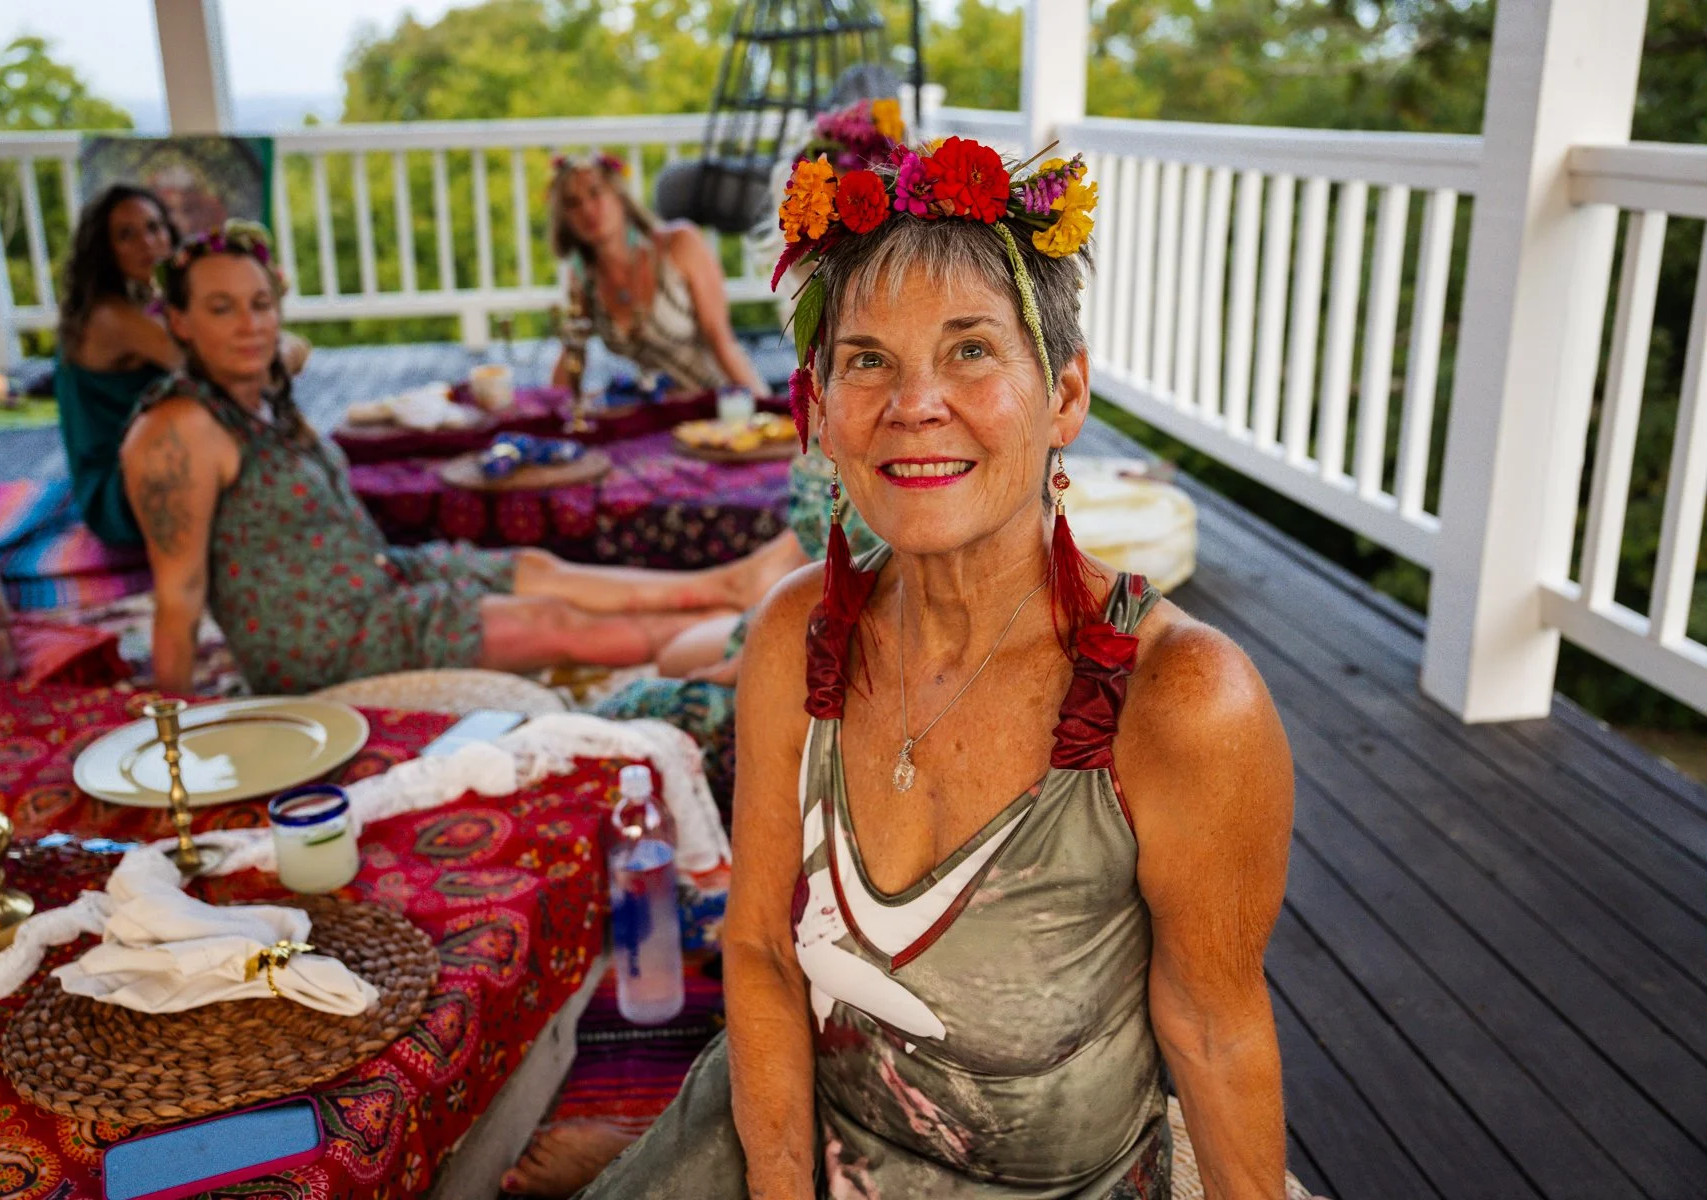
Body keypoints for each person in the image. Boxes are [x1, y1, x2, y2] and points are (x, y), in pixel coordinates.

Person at [521, 142, 1294, 1198]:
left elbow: (1215, 1031)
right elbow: (757, 953)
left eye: (971, 350)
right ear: (821, 409)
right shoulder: (796, 634)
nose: (913, 403)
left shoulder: (1183, 701)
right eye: (868, 360)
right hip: (787, 1144)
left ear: (1063, 396)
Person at [118, 222, 789, 697]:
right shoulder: (177, 432)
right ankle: (736, 630)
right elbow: (177, 600)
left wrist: (251, 322)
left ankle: (727, 584)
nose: (251, 326)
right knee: (552, 623)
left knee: (536, 567)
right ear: (175, 321)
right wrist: (174, 747)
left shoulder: (254, 391)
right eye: (221, 309)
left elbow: (283, 347)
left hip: (379, 575)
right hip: (324, 641)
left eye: (262, 304)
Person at [55, 185, 307, 548]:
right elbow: (219, 371)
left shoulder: (141, 305)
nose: (147, 243)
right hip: (122, 490)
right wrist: (281, 345)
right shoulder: (109, 317)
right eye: (127, 235)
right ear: (104, 250)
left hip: (158, 459)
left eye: (154, 228)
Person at [549, 152, 768, 395]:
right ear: (564, 218)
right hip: (657, 410)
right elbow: (571, 356)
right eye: (572, 203)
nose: (587, 209)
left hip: (715, 402)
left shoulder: (680, 244)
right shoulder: (583, 276)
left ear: (619, 196)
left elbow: (722, 343)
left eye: (595, 193)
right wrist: (546, 411)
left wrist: (766, 407)